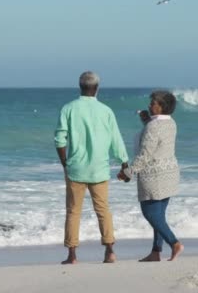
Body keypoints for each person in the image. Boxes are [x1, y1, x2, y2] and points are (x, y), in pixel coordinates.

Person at [54, 71, 129, 264]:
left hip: (76, 168)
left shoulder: (68, 108)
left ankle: (72, 256)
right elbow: (116, 139)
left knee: (73, 211)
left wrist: (65, 163)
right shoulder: (106, 111)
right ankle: (110, 250)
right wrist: (124, 163)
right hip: (100, 169)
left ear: (80, 86)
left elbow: (60, 139)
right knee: (103, 209)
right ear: (97, 88)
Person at [118, 90, 184, 261]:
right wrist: (147, 120)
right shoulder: (171, 123)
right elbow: (158, 139)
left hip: (154, 176)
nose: (149, 105)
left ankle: (174, 243)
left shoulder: (153, 127)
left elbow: (145, 155)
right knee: (159, 216)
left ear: (161, 107)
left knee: (150, 213)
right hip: (169, 174)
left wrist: (128, 172)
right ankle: (156, 252)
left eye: (153, 103)